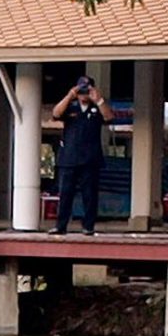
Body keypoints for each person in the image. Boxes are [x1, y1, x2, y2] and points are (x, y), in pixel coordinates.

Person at [50, 75, 114, 236]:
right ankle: (61, 225)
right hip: (69, 158)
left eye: (86, 90)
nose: (83, 94)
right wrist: (69, 96)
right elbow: (56, 113)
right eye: (81, 90)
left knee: (90, 194)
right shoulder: (70, 108)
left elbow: (109, 117)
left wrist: (98, 100)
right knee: (65, 193)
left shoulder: (97, 109)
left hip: (90, 159)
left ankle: (88, 225)